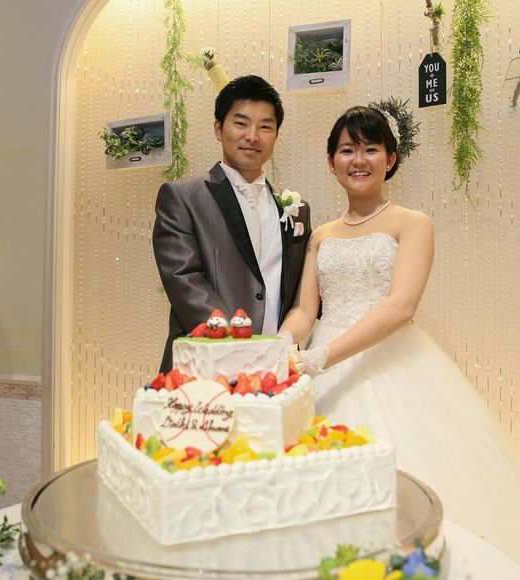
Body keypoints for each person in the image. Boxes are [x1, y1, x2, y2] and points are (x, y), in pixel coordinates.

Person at [279, 105, 520, 562]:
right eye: (347, 150)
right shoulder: (322, 234)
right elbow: (306, 310)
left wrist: (321, 358)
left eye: (371, 149)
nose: (358, 160)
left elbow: (400, 307)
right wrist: (281, 345)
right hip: (319, 368)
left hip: (388, 360)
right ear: (331, 161)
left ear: (390, 159)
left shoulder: (413, 223)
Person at [153, 75, 311, 372]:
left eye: (265, 126)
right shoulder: (183, 197)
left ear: (276, 135)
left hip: (275, 367)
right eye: (241, 123)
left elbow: (299, 293)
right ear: (218, 129)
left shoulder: (297, 209)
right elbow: (184, 279)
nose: (253, 135)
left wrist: (280, 349)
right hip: (205, 365)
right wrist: (239, 348)